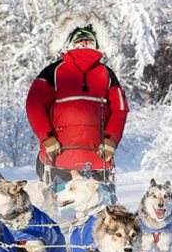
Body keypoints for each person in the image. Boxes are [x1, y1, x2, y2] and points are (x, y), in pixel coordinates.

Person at [25, 24, 129, 186]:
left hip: (91, 157)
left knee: (83, 207)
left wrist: (111, 140)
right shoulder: (52, 72)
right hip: (63, 156)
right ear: (69, 44)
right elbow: (34, 105)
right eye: (80, 40)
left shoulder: (107, 75)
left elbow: (120, 110)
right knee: (80, 207)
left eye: (89, 40)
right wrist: (47, 137)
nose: (84, 43)